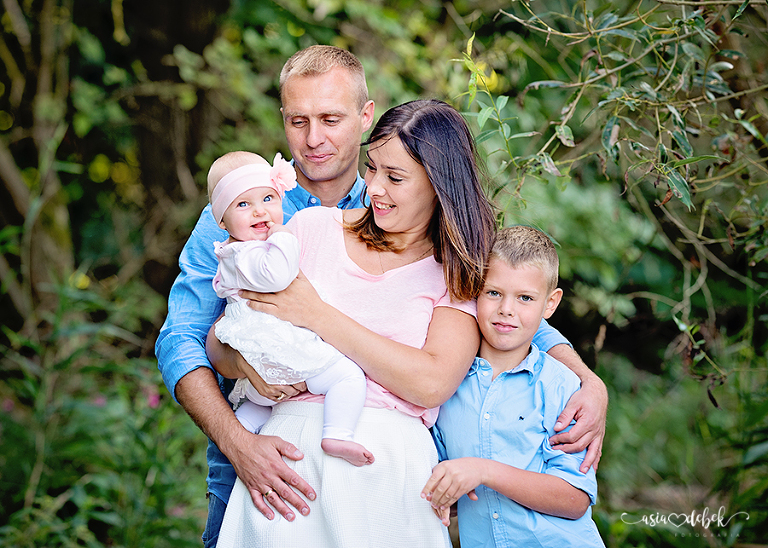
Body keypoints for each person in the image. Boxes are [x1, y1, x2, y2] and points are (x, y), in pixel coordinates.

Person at [155, 45, 606, 548]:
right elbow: (191, 336)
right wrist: (238, 430)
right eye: (298, 121)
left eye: (330, 118)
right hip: (265, 456)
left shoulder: (452, 261)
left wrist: (585, 379)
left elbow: (507, 313)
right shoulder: (253, 214)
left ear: (364, 117)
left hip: (388, 473)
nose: (314, 138)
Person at [421, 226, 605, 547]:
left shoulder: (562, 387)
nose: (507, 309)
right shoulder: (448, 384)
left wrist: (484, 471)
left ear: (550, 304)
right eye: (494, 293)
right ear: (475, 291)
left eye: (525, 298)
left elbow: (575, 499)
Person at [208, 151, 373, 466]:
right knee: (348, 376)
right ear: (221, 220)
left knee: (262, 405)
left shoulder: (237, 252)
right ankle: (338, 434)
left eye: (268, 198)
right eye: (243, 204)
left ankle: (242, 430)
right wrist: (284, 237)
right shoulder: (242, 254)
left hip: (265, 365)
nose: (260, 211)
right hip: (279, 353)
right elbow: (278, 274)